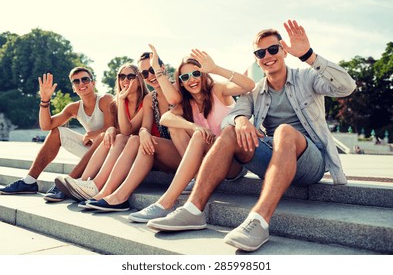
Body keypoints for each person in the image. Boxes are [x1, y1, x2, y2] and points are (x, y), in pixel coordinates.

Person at [146, 19, 356, 252]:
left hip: (310, 161)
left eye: (273, 49)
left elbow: (346, 87)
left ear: (284, 51)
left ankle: (259, 220)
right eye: (260, 52)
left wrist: (308, 54)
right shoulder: (257, 91)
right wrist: (241, 120)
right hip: (275, 158)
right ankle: (193, 210)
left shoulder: (306, 77)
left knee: (285, 131)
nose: (267, 55)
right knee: (229, 132)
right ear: (256, 58)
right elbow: (238, 111)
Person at [128, 47, 255, 222]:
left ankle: (164, 203)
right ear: (181, 82)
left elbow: (249, 85)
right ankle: (195, 177)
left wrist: (216, 68)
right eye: (185, 77)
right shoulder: (188, 103)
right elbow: (166, 118)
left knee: (195, 135)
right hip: (211, 162)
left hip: (234, 162)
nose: (191, 80)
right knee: (177, 128)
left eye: (195, 74)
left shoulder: (216, 89)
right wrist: (194, 126)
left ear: (203, 74)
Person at [84, 50, 182, 211]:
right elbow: (137, 128)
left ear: (162, 67)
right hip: (162, 156)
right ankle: (107, 192)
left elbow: (174, 101)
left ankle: (119, 196)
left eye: (153, 69)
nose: (150, 75)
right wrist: (143, 131)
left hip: (184, 153)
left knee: (138, 140)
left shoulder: (178, 88)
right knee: (134, 139)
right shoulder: (150, 98)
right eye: (145, 73)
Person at [0, 67, 115, 200]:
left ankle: (65, 184)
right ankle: (29, 181)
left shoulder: (106, 99)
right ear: (73, 88)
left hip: (112, 154)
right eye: (76, 81)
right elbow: (46, 125)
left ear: (93, 83)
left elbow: (112, 128)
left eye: (85, 79)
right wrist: (45, 99)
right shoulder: (74, 107)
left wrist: (92, 134)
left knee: (101, 136)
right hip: (92, 153)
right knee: (57, 132)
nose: (81, 84)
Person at [56, 63, 149, 201]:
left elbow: (127, 130)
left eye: (130, 76)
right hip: (127, 147)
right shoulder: (117, 103)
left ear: (140, 80)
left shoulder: (145, 101)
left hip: (143, 149)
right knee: (110, 136)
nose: (125, 80)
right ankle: (83, 182)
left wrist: (121, 101)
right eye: (122, 76)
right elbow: (121, 130)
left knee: (120, 137)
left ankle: (92, 185)